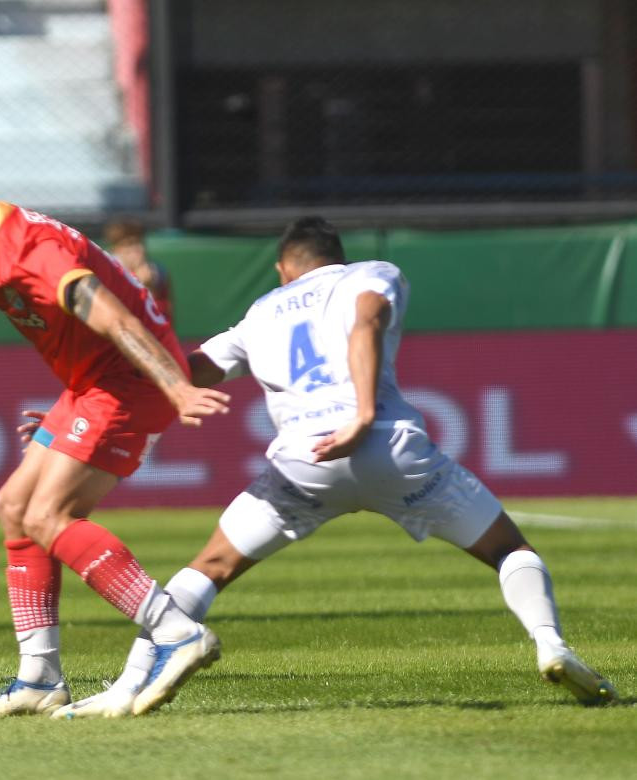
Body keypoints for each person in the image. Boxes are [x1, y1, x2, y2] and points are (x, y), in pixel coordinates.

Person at [58, 216, 619, 718]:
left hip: (304, 465)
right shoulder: (373, 273)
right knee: (509, 550)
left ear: (283, 268)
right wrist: (362, 414)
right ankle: (552, 646)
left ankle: (129, 684)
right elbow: (367, 320)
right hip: (388, 448)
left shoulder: (261, 312)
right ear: (337, 256)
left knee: (207, 569)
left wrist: (92, 396)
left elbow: (190, 370)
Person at [0, 158, 230, 719]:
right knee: (15, 506)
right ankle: (40, 676)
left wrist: (177, 387)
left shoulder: (30, 256)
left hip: (129, 380)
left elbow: (116, 318)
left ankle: (175, 631)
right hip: (92, 382)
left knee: (50, 514)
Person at [103, 217, 172, 322]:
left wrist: (150, 289)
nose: (138, 249)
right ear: (116, 249)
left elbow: (163, 320)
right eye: (129, 244)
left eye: (140, 242)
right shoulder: (107, 272)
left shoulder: (158, 272)